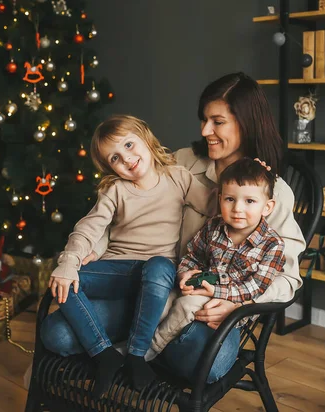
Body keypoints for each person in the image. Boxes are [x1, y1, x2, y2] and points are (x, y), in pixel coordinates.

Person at [40, 72, 306, 385]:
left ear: (245, 123)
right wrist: (91, 251)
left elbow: (287, 278)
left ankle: (135, 351)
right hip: (147, 287)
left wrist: (240, 304)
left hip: (203, 307)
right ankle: (134, 352)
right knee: (55, 334)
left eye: (217, 121)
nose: (205, 130)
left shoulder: (273, 192)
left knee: (208, 360)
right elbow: (117, 213)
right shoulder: (182, 162)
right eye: (204, 119)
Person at [46, 114, 214, 398]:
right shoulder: (115, 190)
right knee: (62, 280)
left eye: (128, 145)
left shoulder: (178, 177)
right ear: (108, 167)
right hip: (118, 270)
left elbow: (215, 204)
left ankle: (137, 355)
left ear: (145, 137)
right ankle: (104, 355)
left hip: (158, 276)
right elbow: (88, 228)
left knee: (160, 266)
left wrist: (247, 183)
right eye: (114, 158)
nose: (126, 158)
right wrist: (68, 263)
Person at [150, 157, 286, 355]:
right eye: (230, 199)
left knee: (185, 306)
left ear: (267, 207)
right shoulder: (214, 226)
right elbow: (193, 255)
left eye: (249, 201)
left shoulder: (272, 245)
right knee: (161, 302)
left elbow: (255, 287)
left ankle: (151, 350)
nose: (237, 208)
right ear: (220, 198)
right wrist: (185, 273)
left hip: (229, 302)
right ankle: (136, 345)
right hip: (200, 286)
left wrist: (214, 291)